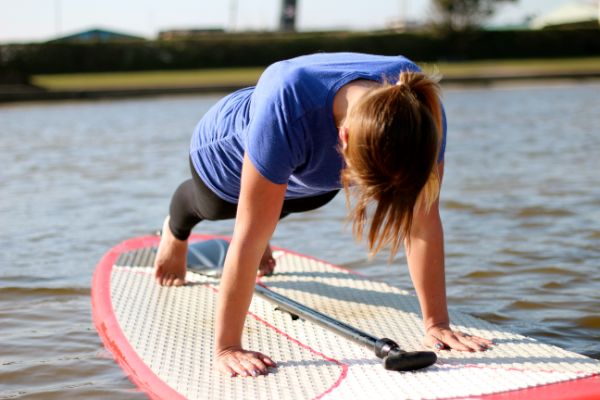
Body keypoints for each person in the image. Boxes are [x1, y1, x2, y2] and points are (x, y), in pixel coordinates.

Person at [153, 52, 493, 378]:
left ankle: (267, 214)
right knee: (217, 208)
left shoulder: (418, 112)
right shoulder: (287, 99)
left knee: (301, 202)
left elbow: (423, 222)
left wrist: (437, 324)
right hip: (224, 150)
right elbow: (246, 238)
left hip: (304, 164)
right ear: (342, 139)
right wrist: (228, 348)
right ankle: (176, 229)